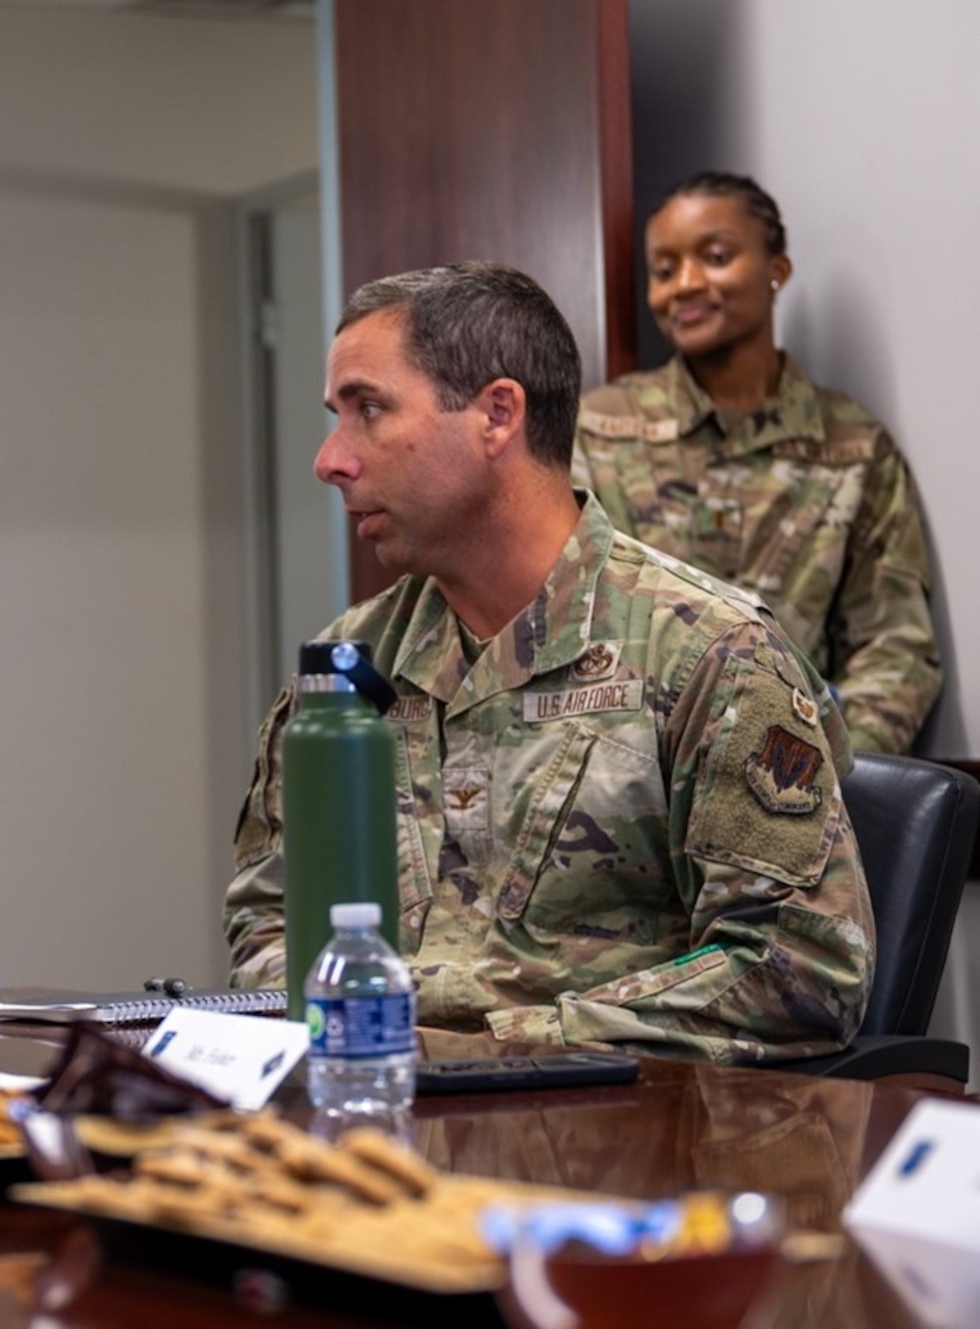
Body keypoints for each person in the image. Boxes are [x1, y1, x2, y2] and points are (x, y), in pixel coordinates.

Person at [223, 262, 873, 1063]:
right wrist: (345, 1032)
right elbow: (270, 912)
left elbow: (799, 972)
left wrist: (493, 1047)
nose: (330, 460)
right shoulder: (350, 670)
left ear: (497, 415)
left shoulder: (709, 652)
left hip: (619, 1143)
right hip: (376, 1118)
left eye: (369, 410)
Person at [575, 171, 940, 755]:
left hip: (799, 783)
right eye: (664, 270)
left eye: (715, 257)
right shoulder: (596, 430)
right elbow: (563, 618)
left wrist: (827, 771)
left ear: (777, 270)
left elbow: (895, 650)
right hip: (628, 786)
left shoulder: (851, 444)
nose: (685, 285)